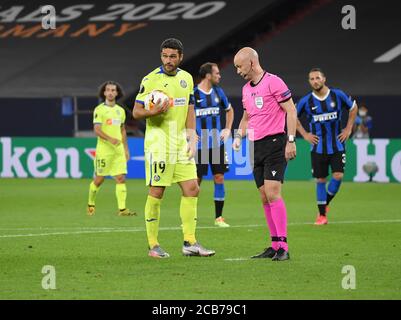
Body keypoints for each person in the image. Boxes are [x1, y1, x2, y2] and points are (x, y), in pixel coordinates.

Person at [133, 38, 215, 258]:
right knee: (157, 192)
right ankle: (153, 245)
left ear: (180, 57)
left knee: (192, 188)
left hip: (180, 144)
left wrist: (191, 134)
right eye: (164, 56)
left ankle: (190, 242)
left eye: (172, 56)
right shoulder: (150, 80)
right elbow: (136, 112)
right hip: (159, 144)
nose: (168, 61)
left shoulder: (186, 78)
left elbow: (189, 107)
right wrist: (153, 112)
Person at [232, 47, 297, 261]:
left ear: (251, 62)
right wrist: (238, 137)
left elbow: (291, 110)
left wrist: (290, 140)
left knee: (272, 192)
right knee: (263, 196)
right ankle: (274, 244)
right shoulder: (245, 90)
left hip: (276, 143)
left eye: (239, 66)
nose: (238, 71)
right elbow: (246, 118)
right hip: (255, 146)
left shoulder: (274, 82)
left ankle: (284, 247)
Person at [296, 68, 358, 225]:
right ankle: (322, 215)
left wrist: (348, 128)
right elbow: (292, 116)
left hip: (337, 144)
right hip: (317, 147)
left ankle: (325, 203)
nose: (315, 81)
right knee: (321, 180)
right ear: (309, 82)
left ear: (324, 79)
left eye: (317, 78)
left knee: (338, 176)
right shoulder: (306, 101)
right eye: (311, 79)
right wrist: (304, 134)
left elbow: (353, 108)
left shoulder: (337, 95)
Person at [87, 81, 136, 217]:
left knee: (120, 178)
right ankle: (91, 203)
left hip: (118, 150)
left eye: (113, 90)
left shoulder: (120, 111)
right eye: (108, 90)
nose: (110, 92)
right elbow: (97, 130)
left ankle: (122, 209)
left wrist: (126, 149)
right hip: (104, 150)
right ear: (104, 93)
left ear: (117, 93)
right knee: (99, 179)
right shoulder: (99, 110)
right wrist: (110, 139)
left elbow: (122, 130)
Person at [194, 62, 234, 228]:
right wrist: (190, 132)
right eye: (217, 73)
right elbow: (183, 115)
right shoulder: (193, 94)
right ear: (208, 75)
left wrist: (227, 129)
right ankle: (191, 218)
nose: (219, 75)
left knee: (219, 177)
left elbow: (229, 110)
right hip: (199, 145)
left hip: (217, 144)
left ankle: (219, 218)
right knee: (196, 182)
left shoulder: (218, 92)